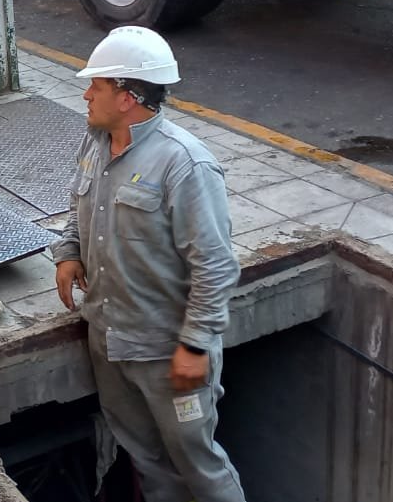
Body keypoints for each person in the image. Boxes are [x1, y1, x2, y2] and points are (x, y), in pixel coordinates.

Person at [50, 26, 247, 502]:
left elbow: (215, 265)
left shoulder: (186, 165)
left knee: (198, 464)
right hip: (110, 343)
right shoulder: (96, 142)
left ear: (127, 97)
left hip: (166, 352)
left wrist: (194, 345)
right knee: (147, 459)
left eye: (96, 86)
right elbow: (80, 203)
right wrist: (69, 252)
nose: (86, 95)